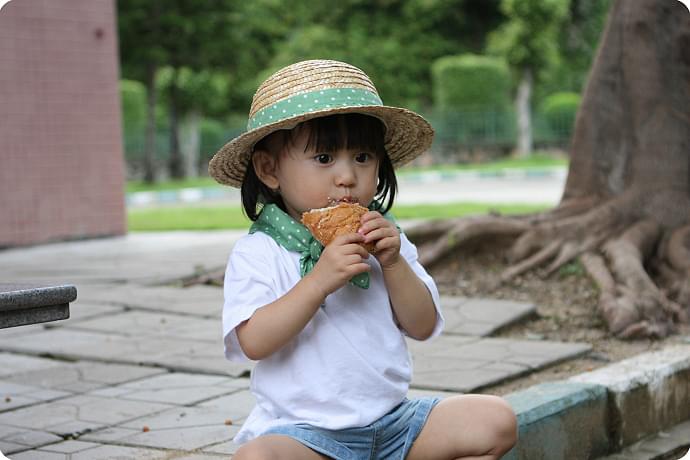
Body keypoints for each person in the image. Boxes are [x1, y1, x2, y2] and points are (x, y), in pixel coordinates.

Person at [209, 60, 517, 460]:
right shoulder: (260, 251)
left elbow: (422, 326)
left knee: (496, 421)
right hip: (306, 434)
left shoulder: (385, 239)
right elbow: (253, 341)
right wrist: (318, 281)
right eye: (324, 158)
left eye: (362, 157)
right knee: (256, 458)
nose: (347, 177)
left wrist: (393, 265)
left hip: (394, 425)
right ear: (269, 169)